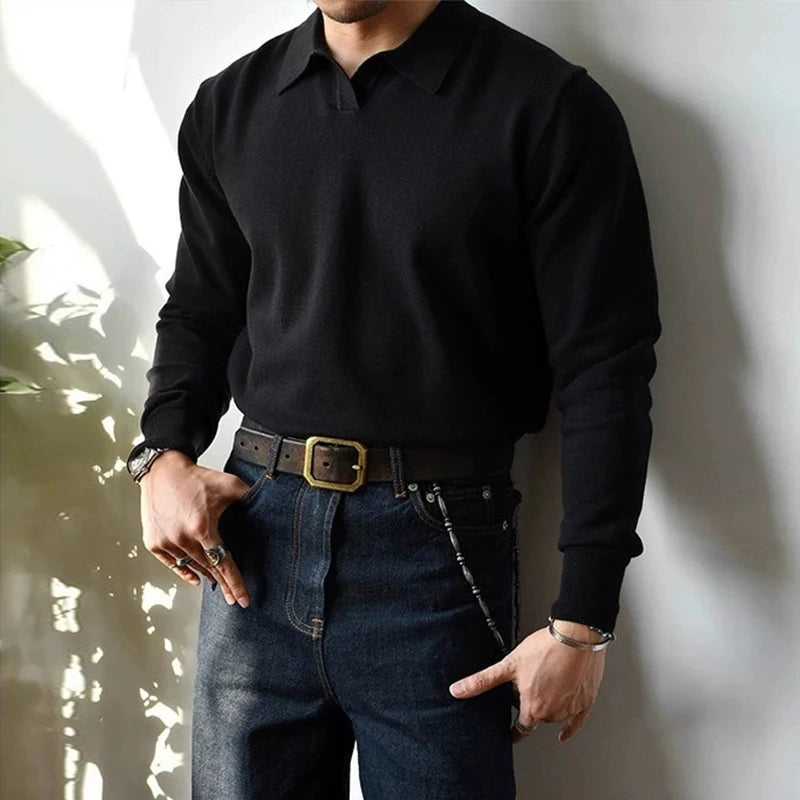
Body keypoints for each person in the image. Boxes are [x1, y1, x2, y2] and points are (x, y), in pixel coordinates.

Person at [126, 0, 661, 797]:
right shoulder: (232, 103)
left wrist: (584, 620)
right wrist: (161, 454)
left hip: (437, 549)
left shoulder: (546, 106)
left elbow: (605, 368)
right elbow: (200, 309)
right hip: (254, 543)